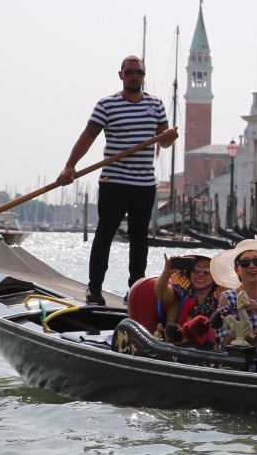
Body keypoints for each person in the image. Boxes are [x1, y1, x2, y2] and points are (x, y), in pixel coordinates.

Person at [57, 55, 176, 305]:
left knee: (139, 238)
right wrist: (70, 166)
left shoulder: (156, 105)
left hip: (144, 184)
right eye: (130, 72)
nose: (134, 76)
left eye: (139, 73)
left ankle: (134, 291)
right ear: (121, 75)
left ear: (144, 76)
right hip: (114, 180)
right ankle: (94, 289)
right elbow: (88, 135)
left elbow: (162, 141)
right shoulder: (107, 105)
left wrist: (169, 137)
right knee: (105, 234)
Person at [211, 239, 257, 346]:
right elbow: (225, 340)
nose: (251, 266)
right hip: (240, 360)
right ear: (237, 270)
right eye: (245, 263)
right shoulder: (228, 298)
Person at [153, 253, 224, 346]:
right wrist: (166, 273)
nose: (201, 274)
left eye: (207, 271)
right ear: (189, 273)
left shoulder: (219, 304)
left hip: (208, 354)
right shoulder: (177, 294)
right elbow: (161, 291)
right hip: (175, 350)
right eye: (196, 269)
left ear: (215, 277)